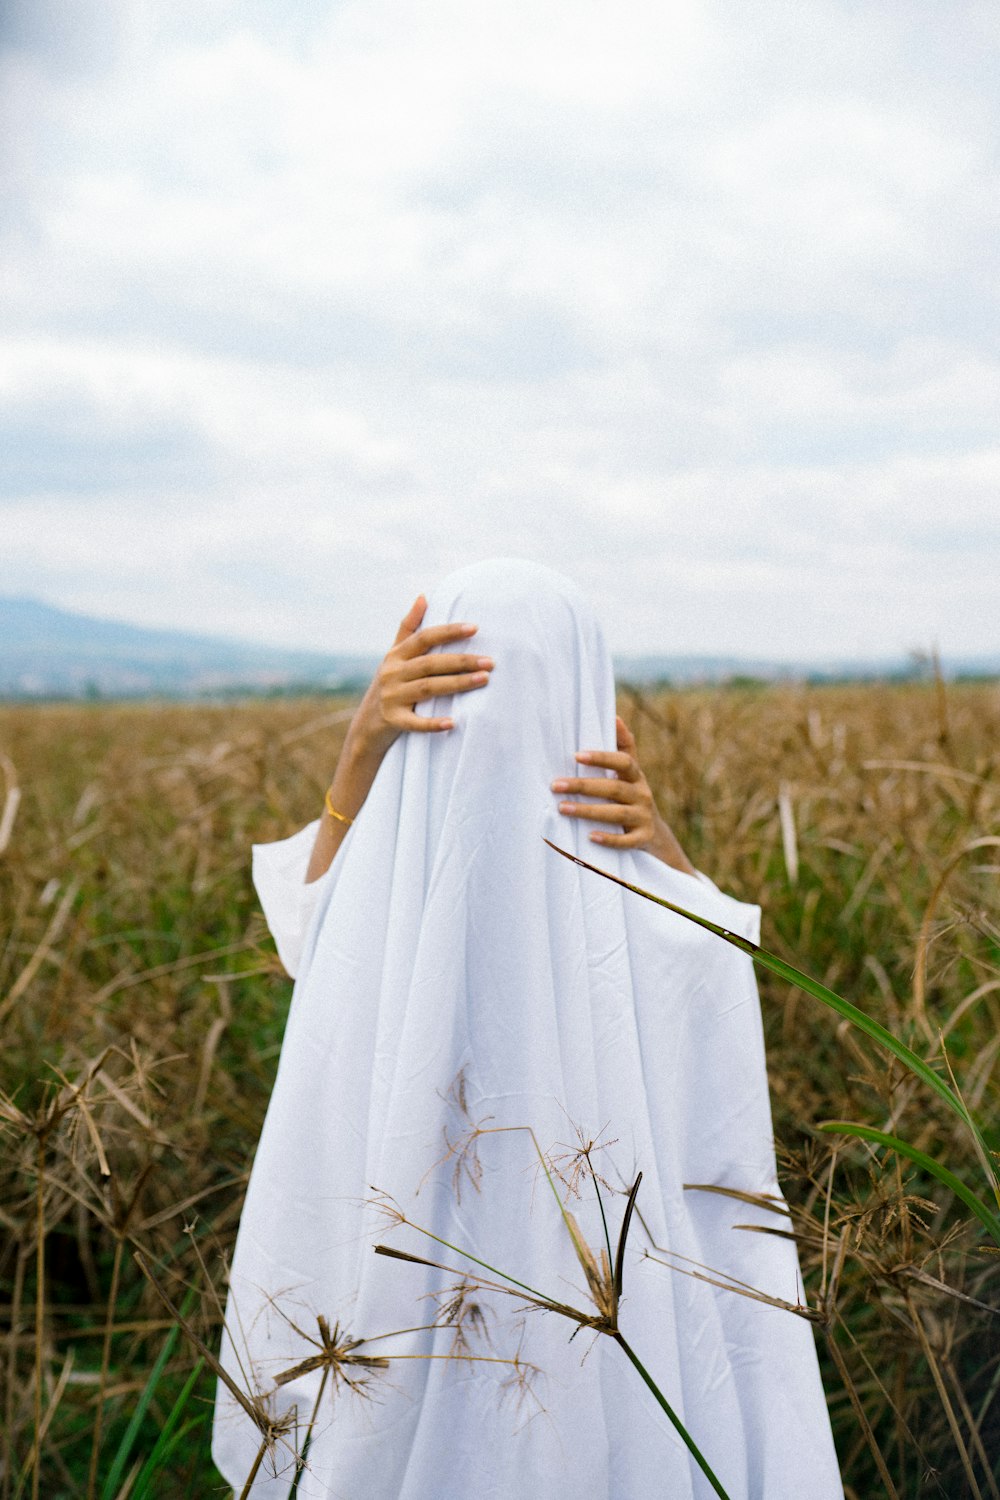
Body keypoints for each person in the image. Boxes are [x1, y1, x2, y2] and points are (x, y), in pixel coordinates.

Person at [212, 559, 843, 1499]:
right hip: (586, 1296)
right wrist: (367, 748)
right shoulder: (451, 859)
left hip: (548, 1287)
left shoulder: (446, 854)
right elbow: (707, 969)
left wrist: (367, 750)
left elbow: (314, 933)